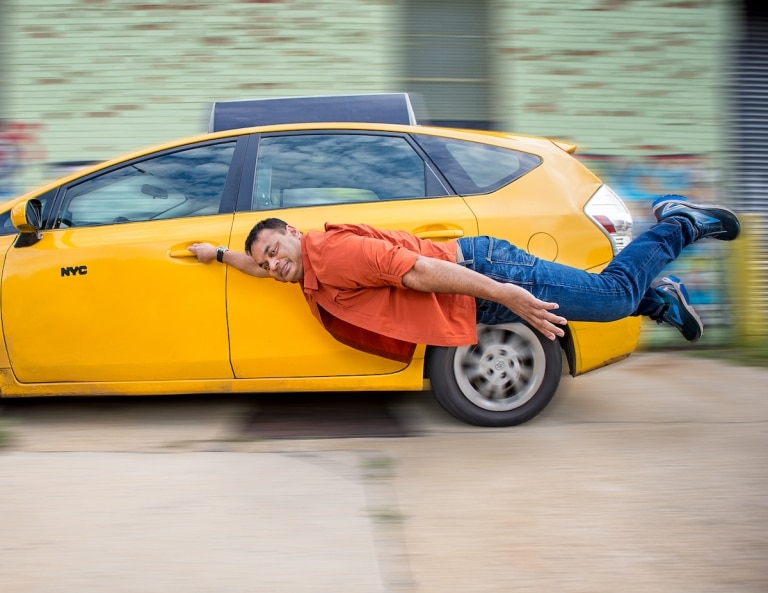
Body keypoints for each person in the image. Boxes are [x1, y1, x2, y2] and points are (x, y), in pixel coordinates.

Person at [189, 195, 740, 362]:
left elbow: (424, 273)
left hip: (480, 275)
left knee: (611, 295)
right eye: (266, 261)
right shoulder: (304, 272)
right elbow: (256, 269)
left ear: (291, 231)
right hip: (471, 300)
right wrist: (217, 253)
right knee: (600, 303)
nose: (272, 264)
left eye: (274, 250)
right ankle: (659, 300)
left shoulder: (333, 254)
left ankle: (677, 226)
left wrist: (506, 293)